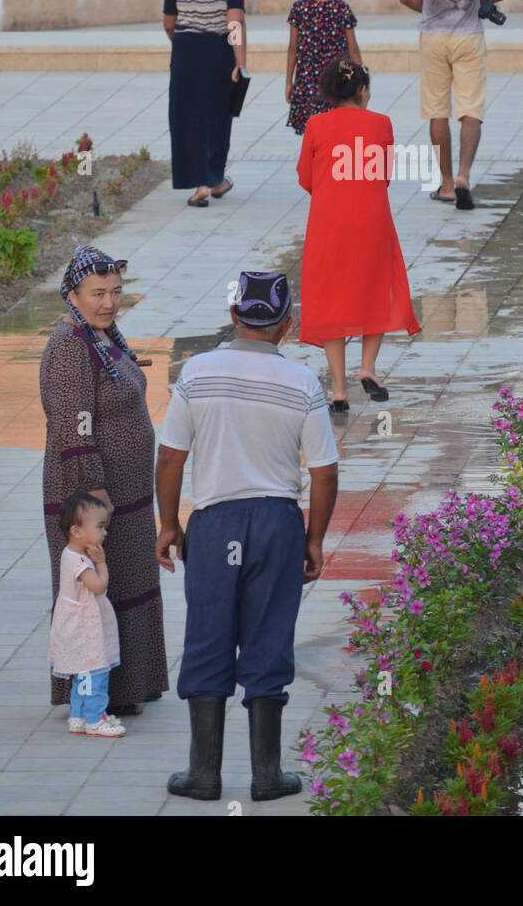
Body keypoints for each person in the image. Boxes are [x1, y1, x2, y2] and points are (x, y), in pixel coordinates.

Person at [156, 271, 339, 802]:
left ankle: (203, 775)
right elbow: (324, 472)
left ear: (235, 316)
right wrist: (313, 539)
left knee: (208, 635)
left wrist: (169, 524)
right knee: (268, 636)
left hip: (214, 525)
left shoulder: (196, 372)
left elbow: (171, 456)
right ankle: (266, 776)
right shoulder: (303, 383)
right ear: (287, 325)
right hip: (277, 523)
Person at [40, 245, 168, 718]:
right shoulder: (72, 348)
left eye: (115, 292)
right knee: (98, 593)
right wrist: (96, 498)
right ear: (72, 293)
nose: (109, 303)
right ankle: (104, 694)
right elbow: (74, 428)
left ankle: (134, 682)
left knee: (131, 586)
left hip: (125, 495)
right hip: (94, 499)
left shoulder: (101, 335)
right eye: (97, 293)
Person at [297, 58, 421, 411]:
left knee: (331, 300)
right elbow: (383, 176)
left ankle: (338, 390)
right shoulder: (381, 124)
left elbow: (306, 177)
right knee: (376, 291)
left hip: (328, 224)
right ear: (363, 90)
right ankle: (367, 367)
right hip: (372, 221)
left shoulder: (316, 125)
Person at [398, 0, 511, 210]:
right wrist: (472, 4)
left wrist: (432, 6)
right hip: (469, 35)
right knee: (471, 110)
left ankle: (446, 184)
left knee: (437, 111)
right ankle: (463, 174)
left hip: (433, 36)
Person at [163, 0, 247, 207]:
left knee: (186, 117)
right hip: (218, 53)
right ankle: (216, 179)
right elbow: (234, 24)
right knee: (217, 117)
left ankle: (199, 185)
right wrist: (239, 62)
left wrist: (185, 44)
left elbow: (169, 24)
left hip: (185, 51)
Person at [48, 491, 125, 738]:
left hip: (75, 626)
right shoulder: (80, 562)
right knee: (95, 673)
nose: (105, 533)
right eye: (100, 527)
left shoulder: (70, 554)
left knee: (81, 673)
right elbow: (99, 586)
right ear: (77, 531)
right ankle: (95, 718)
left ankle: (78, 717)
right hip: (84, 629)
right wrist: (101, 563)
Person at [286, 0, 362, 135]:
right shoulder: (341, 8)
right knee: (336, 133)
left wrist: (289, 82)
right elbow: (352, 48)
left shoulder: (300, 8)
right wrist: (360, 80)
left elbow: (293, 48)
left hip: (307, 84)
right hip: (337, 85)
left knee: (313, 135)